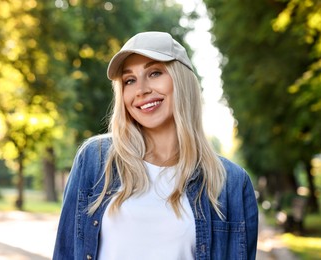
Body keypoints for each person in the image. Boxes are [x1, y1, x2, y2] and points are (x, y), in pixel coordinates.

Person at [53, 31, 258, 260]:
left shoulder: (231, 183)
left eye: (154, 73)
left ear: (181, 80)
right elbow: (65, 253)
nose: (141, 90)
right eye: (129, 80)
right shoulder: (95, 159)